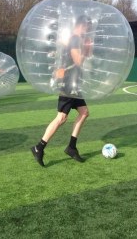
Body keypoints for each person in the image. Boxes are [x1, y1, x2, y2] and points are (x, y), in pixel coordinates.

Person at [31, 15, 93, 167]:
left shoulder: (76, 39)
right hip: (68, 84)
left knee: (84, 112)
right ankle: (39, 147)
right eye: (88, 26)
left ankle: (71, 147)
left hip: (74, 83)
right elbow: (79, 61)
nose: (88, 30)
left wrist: (87, 47)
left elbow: (82, 57)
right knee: (61, 118)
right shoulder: (75, 39)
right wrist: (86, 48)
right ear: (82, 25)